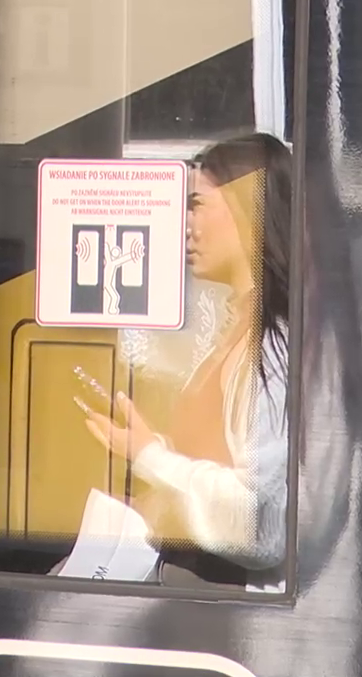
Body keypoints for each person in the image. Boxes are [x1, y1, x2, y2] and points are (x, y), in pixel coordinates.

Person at [81, 132, 292, 591]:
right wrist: (145, 447)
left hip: (225, 606)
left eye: (197, 206)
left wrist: (150, 457)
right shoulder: (238, 330)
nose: (186, 226)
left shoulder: (273, 347)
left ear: (249, 210)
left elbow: (260, 523)